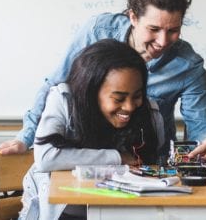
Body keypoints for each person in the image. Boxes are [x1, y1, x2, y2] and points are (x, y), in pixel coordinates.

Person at [0, 0, 206, 161]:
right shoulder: (97, 32)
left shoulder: (188, 64)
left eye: (173, 30)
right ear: (133, 17)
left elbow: (200, 126)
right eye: (154, 29)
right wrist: (26, 137)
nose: (163, 41)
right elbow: (56, 85)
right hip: (86, 158)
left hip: (146, 164)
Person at [18, 39, 164, 220]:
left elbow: (155, 166)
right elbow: (46, 158)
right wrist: (118, 157)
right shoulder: (63, 99)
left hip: (122, 211)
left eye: (137, 96)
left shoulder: (149, 113)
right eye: (118, 99)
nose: (129, 107)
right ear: (91, 91)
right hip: (64, 213)